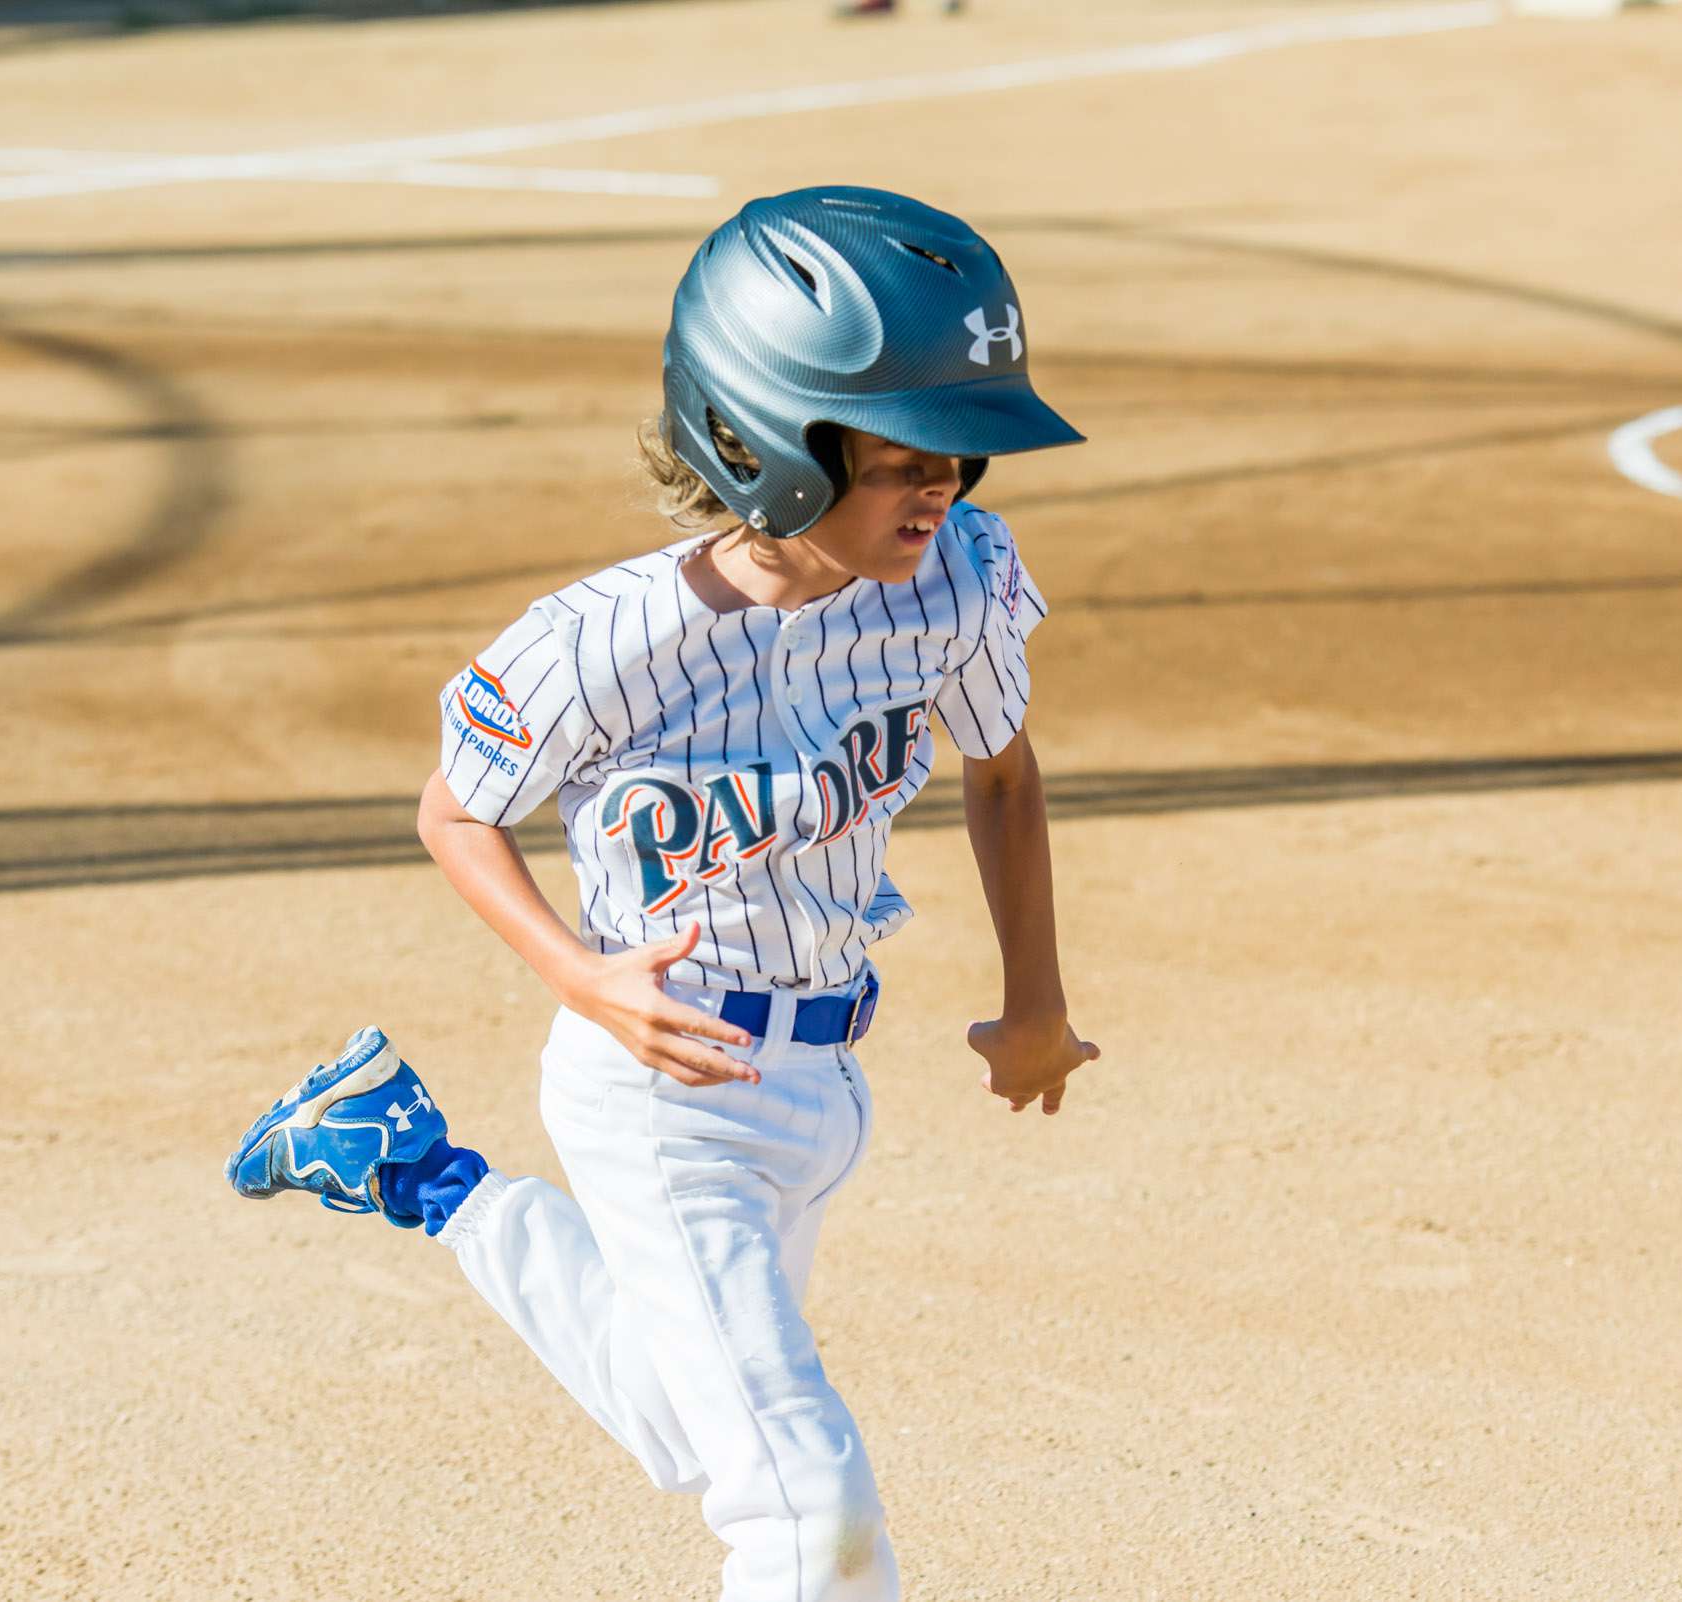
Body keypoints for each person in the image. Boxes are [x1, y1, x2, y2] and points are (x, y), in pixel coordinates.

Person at [226, 185, 1099, 1602]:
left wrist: (1037, 1003)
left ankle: (406, 1163)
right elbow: (456, 810)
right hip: (658, 1083)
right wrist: (578, 973)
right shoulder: (603, 645)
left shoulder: (955, 588)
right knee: (804, 1511)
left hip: (819, 1087)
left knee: (681, 1413)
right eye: (906, 454)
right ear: (764, 446)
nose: (946, 486)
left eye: (965, 457)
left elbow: (1001, 770)